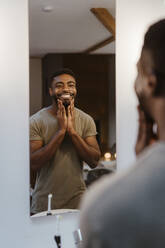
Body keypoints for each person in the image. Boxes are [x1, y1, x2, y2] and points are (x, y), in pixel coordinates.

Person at [80, 19, 165, 248]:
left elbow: (93, 158)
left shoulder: (107, 210)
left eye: (138, 69)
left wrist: (145, 175)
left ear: (149, 80)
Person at [30, 68, 101, 214]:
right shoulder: (36, 121)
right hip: (44, 203)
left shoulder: (86, 120)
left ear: (75, 89)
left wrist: (72, 132)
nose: (66, 89)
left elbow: (94, 161)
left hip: (77, 203)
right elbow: (34, 162)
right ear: (50, 91)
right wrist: (61, 132)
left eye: (71, 85)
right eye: (59, 86)